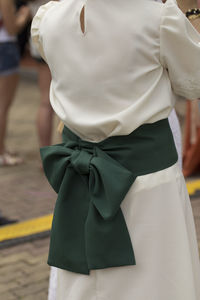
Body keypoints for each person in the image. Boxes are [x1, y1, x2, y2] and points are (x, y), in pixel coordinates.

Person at [31, 0, 200, 299]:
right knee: (157, 282)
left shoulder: (49, 17)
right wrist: (192, 13)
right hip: (146, 185)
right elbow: (194, 82)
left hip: (80, 180)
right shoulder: (158, 19)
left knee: (86, 284)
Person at [0, 0, 30, 166]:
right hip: (5, 47)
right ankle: (1, 153)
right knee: (3, 105)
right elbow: (12, 28)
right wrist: (24, 16)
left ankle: (2, 146)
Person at [29, 0, 54, 149]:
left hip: (38, 38)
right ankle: (67, 154)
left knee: (45, 102)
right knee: (68, 100)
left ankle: (45, 154)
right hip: (60, 38)